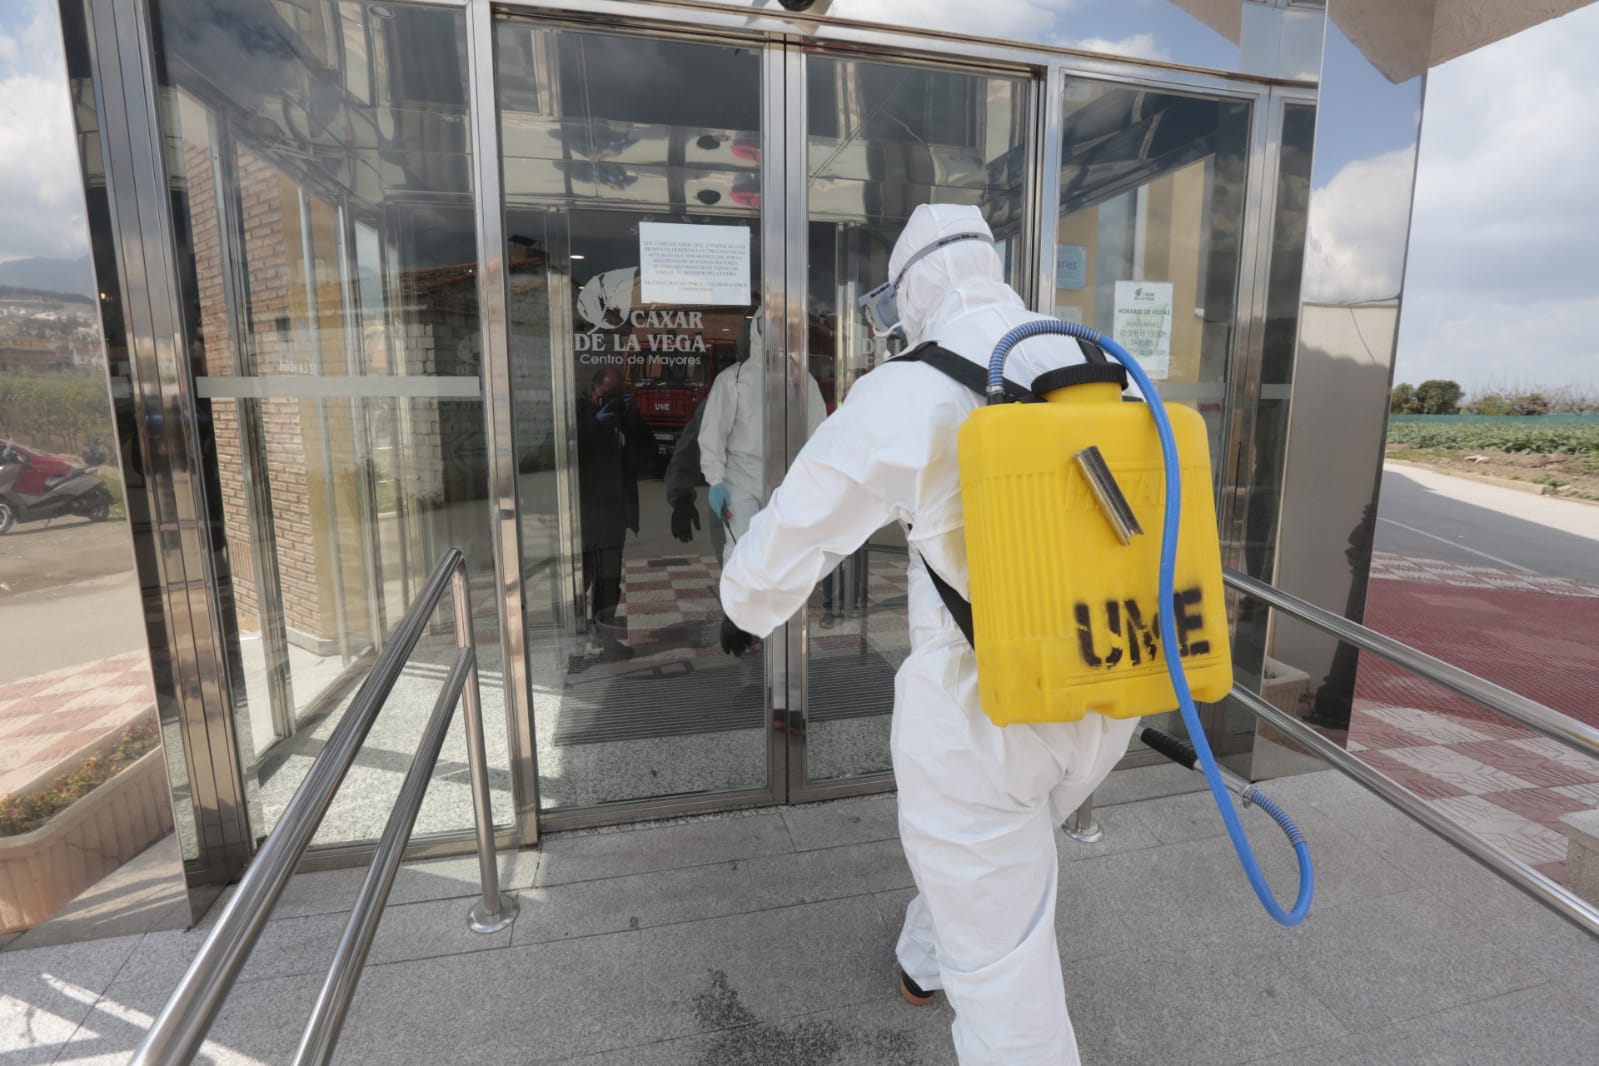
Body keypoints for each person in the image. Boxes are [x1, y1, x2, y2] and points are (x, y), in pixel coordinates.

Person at [715, 203, 1139, 1065]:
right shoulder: (1103, 362)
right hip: (1108, 679)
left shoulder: (909, 386)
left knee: (1005, 973)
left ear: (910, 292)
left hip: (984, 708)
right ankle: (921, 961)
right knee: (991, 865)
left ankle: (967, 982)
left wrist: (741, 609)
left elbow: (799, 526)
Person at [575, 366, 654, 661]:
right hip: (583, 513)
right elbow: (559, 451)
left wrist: (634, 420)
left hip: (613, 514)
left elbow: (647, 456)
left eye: (620, 395)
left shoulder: (623, 419)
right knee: (578, 581)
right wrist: (594, 425)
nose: (614, 402)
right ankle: (575, 643)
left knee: (609, 582)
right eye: (609, 395)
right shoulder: (577, 413)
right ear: (594, 388)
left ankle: (605, 640)